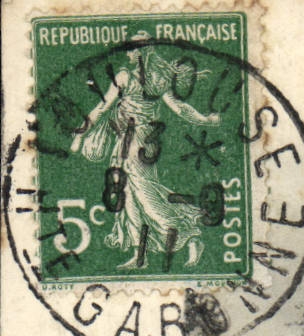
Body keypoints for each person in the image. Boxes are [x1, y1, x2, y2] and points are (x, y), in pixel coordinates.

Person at [69, 37, 221, 269]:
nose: (127, 54)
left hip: (140, 145)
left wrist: (205, 120)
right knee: (129, 198)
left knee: (147, 198)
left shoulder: (138, 78)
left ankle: (190, 235)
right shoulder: (136, 77)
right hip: (126, 143)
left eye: (130, 50)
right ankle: (139, 256)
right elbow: (103, 108)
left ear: (141, 52)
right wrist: (206, 120)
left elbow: (102, 108)